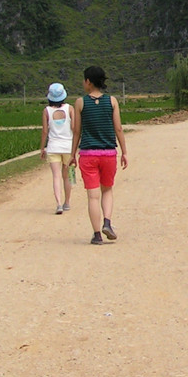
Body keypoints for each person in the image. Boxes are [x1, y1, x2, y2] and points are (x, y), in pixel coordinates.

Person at [73, 65, 129, 245]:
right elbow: (118, 128)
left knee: (92, 196)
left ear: (88, 82)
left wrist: (73, 153)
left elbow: (76, 132)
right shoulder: (112, 101)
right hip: (108, 154)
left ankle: (97, 235)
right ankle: (107, 223)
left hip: (88, 154)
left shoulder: (80, 103)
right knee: (107, 190)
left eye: (84, 80)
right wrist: (124, 152)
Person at [40, 82, 76, 215]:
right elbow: (74, 128)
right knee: (67, 176)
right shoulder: (70, 109)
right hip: (68, 147)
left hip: (53, 147)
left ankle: (58, 204)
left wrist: (42, 148)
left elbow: (45, 131)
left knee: (56, 176)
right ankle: (67, 202)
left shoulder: (46, 111)